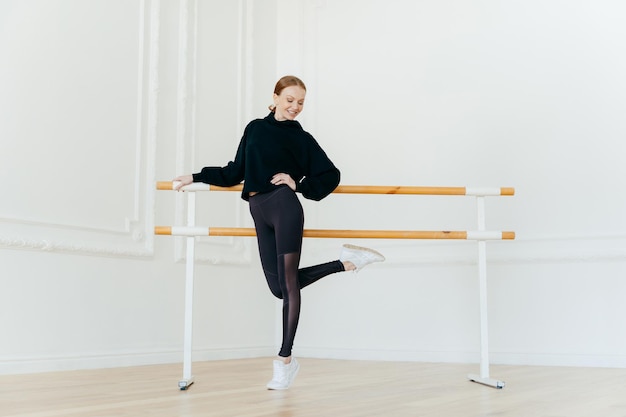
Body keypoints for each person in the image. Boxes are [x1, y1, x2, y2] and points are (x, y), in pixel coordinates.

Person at [173, 75, 385, 390]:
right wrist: (194, 175)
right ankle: (345, 262)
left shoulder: (303, 139)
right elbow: (235, 172)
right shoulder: (255, 129)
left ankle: (285, 360)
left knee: (288, 283)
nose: (295, 107)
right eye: (290, 100)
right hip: (259, 209)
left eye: (300, 102)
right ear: (275, 97)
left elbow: (331, 174)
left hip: (284, 205)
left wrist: (297, 184)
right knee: (278, 288)